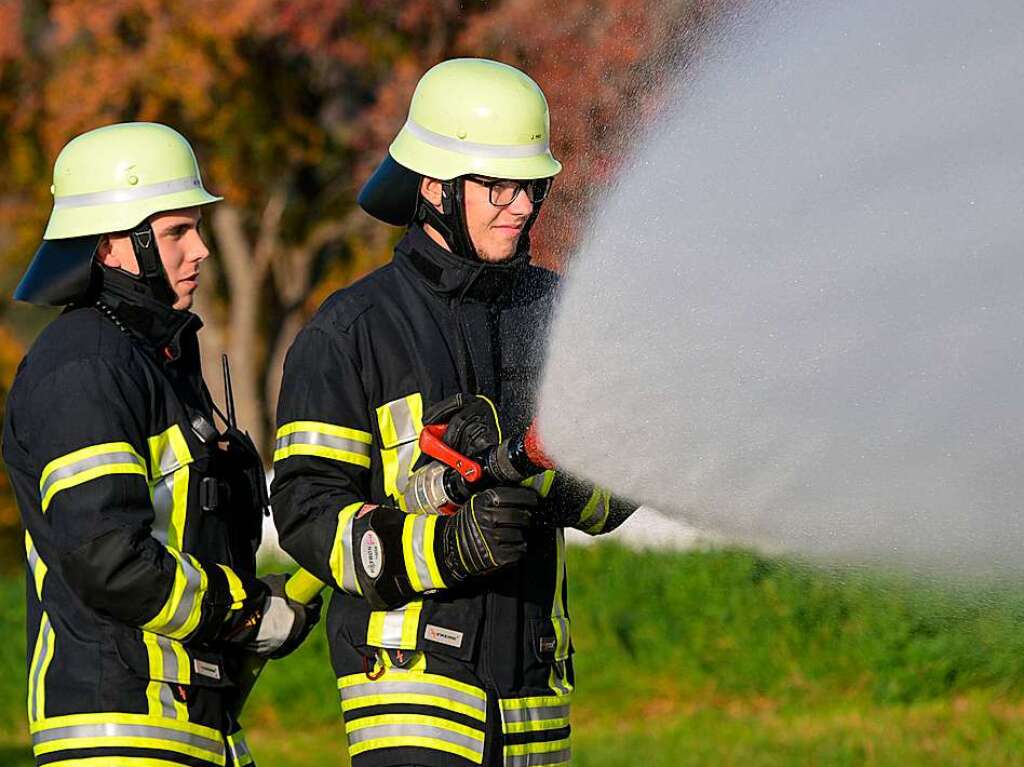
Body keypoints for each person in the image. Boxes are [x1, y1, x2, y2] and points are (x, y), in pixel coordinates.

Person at [271, 58, 638, 767]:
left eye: (532, 185)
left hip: (535, 706)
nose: (523, 206)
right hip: (414, 705)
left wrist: (542, 477)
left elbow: (615, 492)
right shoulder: (353, 329)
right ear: (435, 188)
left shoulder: (556, 315)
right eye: (498, 185)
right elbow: (306, 511)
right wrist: (445, 548)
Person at [2, 122, 321, 767]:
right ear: (113, 245)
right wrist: (244, 613)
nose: (200, 249)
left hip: (194, 726)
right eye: (177, 232)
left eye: (196, 228)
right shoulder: (85, 365)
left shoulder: (155, 362)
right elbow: (106, 557)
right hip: (120, 733)